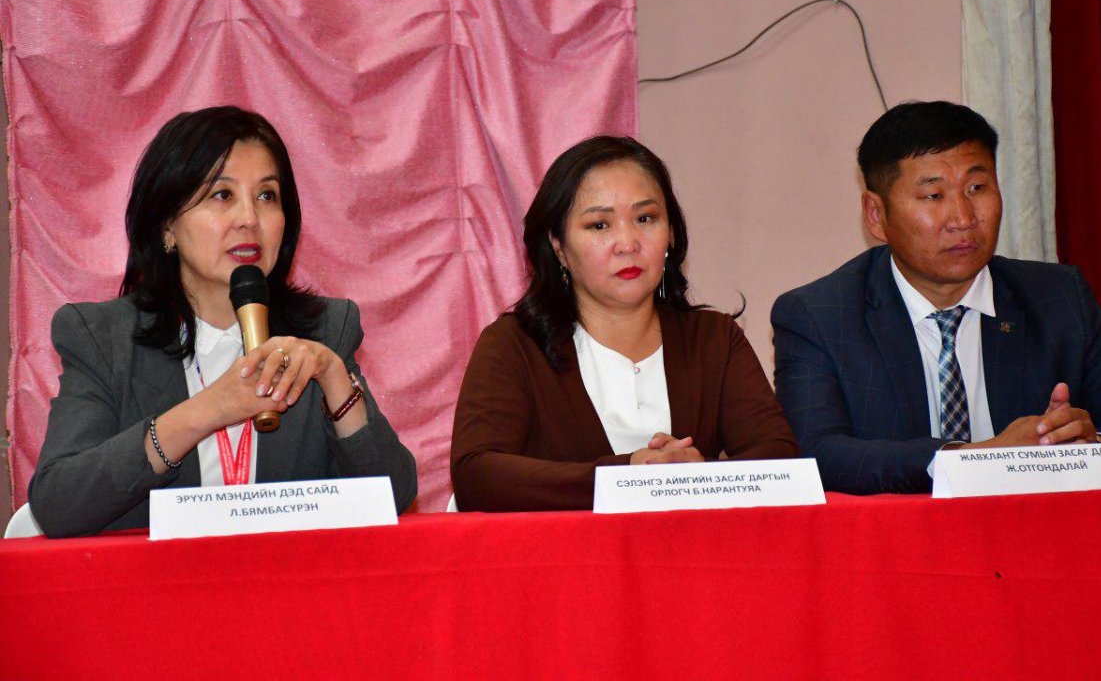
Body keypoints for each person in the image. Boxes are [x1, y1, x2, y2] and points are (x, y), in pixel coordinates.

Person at [772, 101, 1101, 494]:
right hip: (899, 545)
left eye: (977, 188)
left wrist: (1090, 447)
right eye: (934, 196)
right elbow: (816, 455)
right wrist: (976, 459)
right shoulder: (819, 317)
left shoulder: (1058, 299)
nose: (963, 218)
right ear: (876, 215)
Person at [28, 106, 417, 536]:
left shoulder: (324, 332)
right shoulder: (104, 339)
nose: (249, 219)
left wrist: (334, 379)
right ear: (167, 225)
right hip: (157, 578)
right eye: (222, 195)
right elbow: (59, 504)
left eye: (266, 196)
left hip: (286, 577)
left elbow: (394, 498)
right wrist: (207, 410)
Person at [452, 136, 798, 511]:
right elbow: (476, 475)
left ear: (671, 233)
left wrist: (696, 475)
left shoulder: (714, 339)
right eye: (599, 225)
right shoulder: (515, 345)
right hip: (565, 550)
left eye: (645, 219)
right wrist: (627, 476)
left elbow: (782, 462)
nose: (628, 243)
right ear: (558, 247)